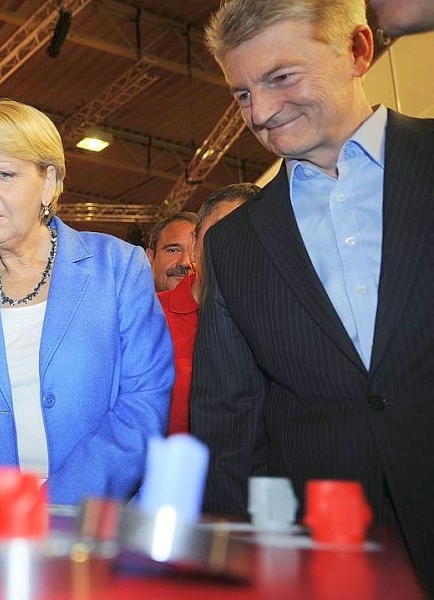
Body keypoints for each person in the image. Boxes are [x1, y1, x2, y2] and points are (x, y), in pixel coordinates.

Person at [192, 0, 434, 591]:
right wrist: (233, 564)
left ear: (357, 51)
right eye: (243, 93)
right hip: (329, 557)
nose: (263, 112)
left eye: (281, 77)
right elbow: (227, 420)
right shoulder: (234, 242)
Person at [0, 98, 174, 505]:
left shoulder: (118, 268)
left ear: (49, 182)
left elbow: (143, 404)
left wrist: (54, 506)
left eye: (4, 174)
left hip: (99, 521)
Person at [157, 183, 259, 435]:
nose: (233, 246)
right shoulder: (149, 315)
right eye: (222, 231)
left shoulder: (279, 325)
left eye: (249, 235)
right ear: (194, 243)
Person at [145, 212, 198, 292]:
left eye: (195, 253)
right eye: (173, 250)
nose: (185, 262)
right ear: (150, 257)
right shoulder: (124, 302)